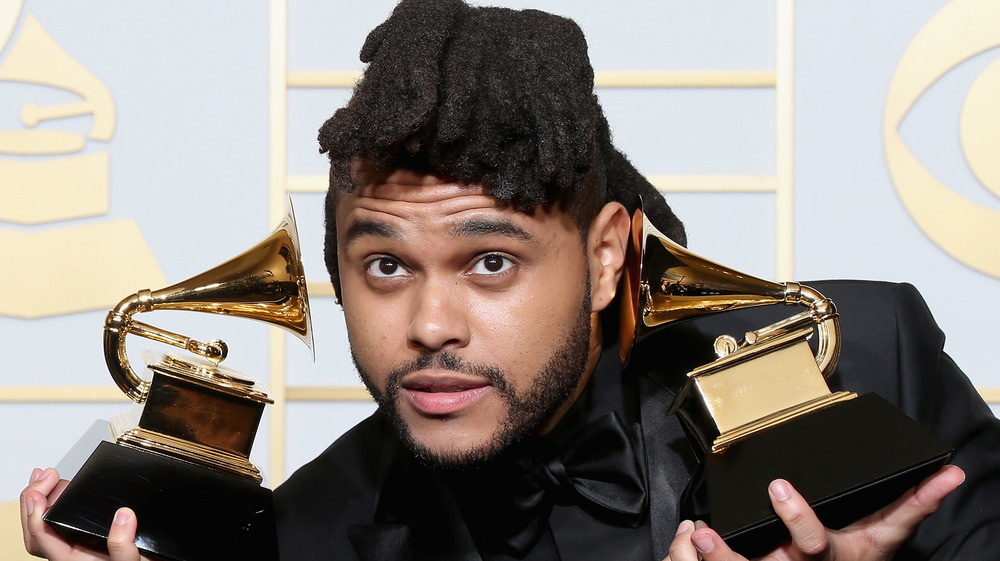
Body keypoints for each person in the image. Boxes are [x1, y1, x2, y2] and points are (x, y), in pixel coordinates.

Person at [20, 1, 1000, 559]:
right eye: (385, 265)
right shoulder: (310, 531)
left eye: (490, 261)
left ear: (608, 252)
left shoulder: (863, 364)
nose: (429, 323)